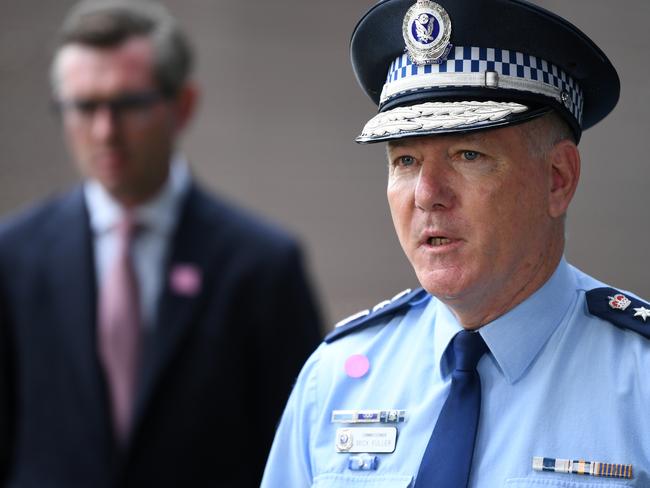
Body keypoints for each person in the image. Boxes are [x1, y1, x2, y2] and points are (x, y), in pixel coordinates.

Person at [262, 0, 650, 486]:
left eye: (469, 153)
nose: (427, 194)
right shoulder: (336, 378)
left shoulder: (641, 382)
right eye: (405, 161)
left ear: (557, 179)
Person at [0, 0, 323, 486]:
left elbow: (299, 448)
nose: (105, 131)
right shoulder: (14, 257)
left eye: (128, 104)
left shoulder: (261, 265)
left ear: (182, 106)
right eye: (85, 107)